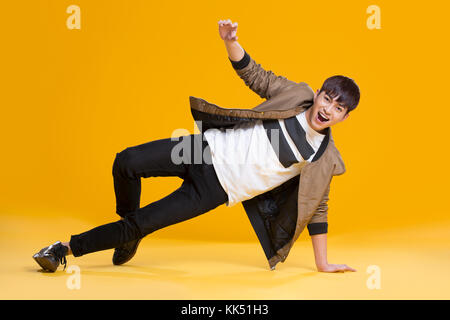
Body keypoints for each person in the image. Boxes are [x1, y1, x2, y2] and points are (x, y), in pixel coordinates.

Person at [33, 19, 359, 273]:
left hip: (217, 189)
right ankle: (127, 231)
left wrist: (323, 263)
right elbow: (257, 76)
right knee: (127, 161)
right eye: (327, 98)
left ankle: (62, 250)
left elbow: (318, 208)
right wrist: (231, 42)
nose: (328, 109)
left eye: (338, 108)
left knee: (143, 222)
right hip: (201, 149)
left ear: (343, 117)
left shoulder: (324, 157)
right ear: (317, 94)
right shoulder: (296, 94)